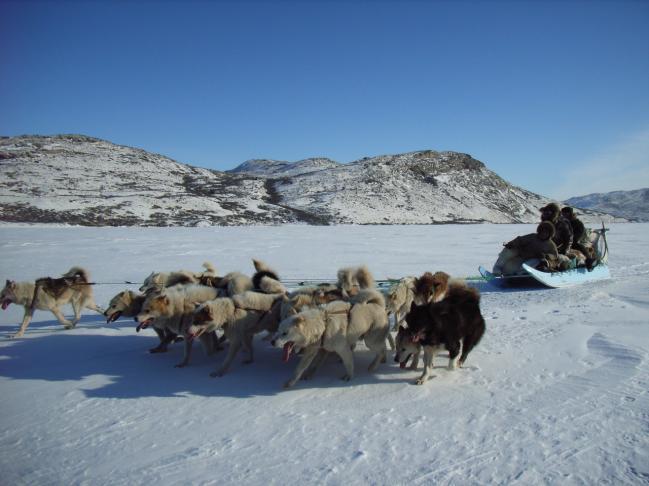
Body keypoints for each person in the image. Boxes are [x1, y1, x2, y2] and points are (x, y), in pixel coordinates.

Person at [492, 221, 560, 275]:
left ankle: (522, 272)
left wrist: (546, 256)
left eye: (546, 232)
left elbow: (554, 255)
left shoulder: (550, 244)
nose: (543, 234)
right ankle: (497, 268)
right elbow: (520, 240)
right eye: (542, 231)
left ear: (550, 234)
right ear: (539, 231)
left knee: (536, 260)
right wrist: (511, 244)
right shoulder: (532, 237)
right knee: (509, 249)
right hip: (522, 256)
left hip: (532, 261)